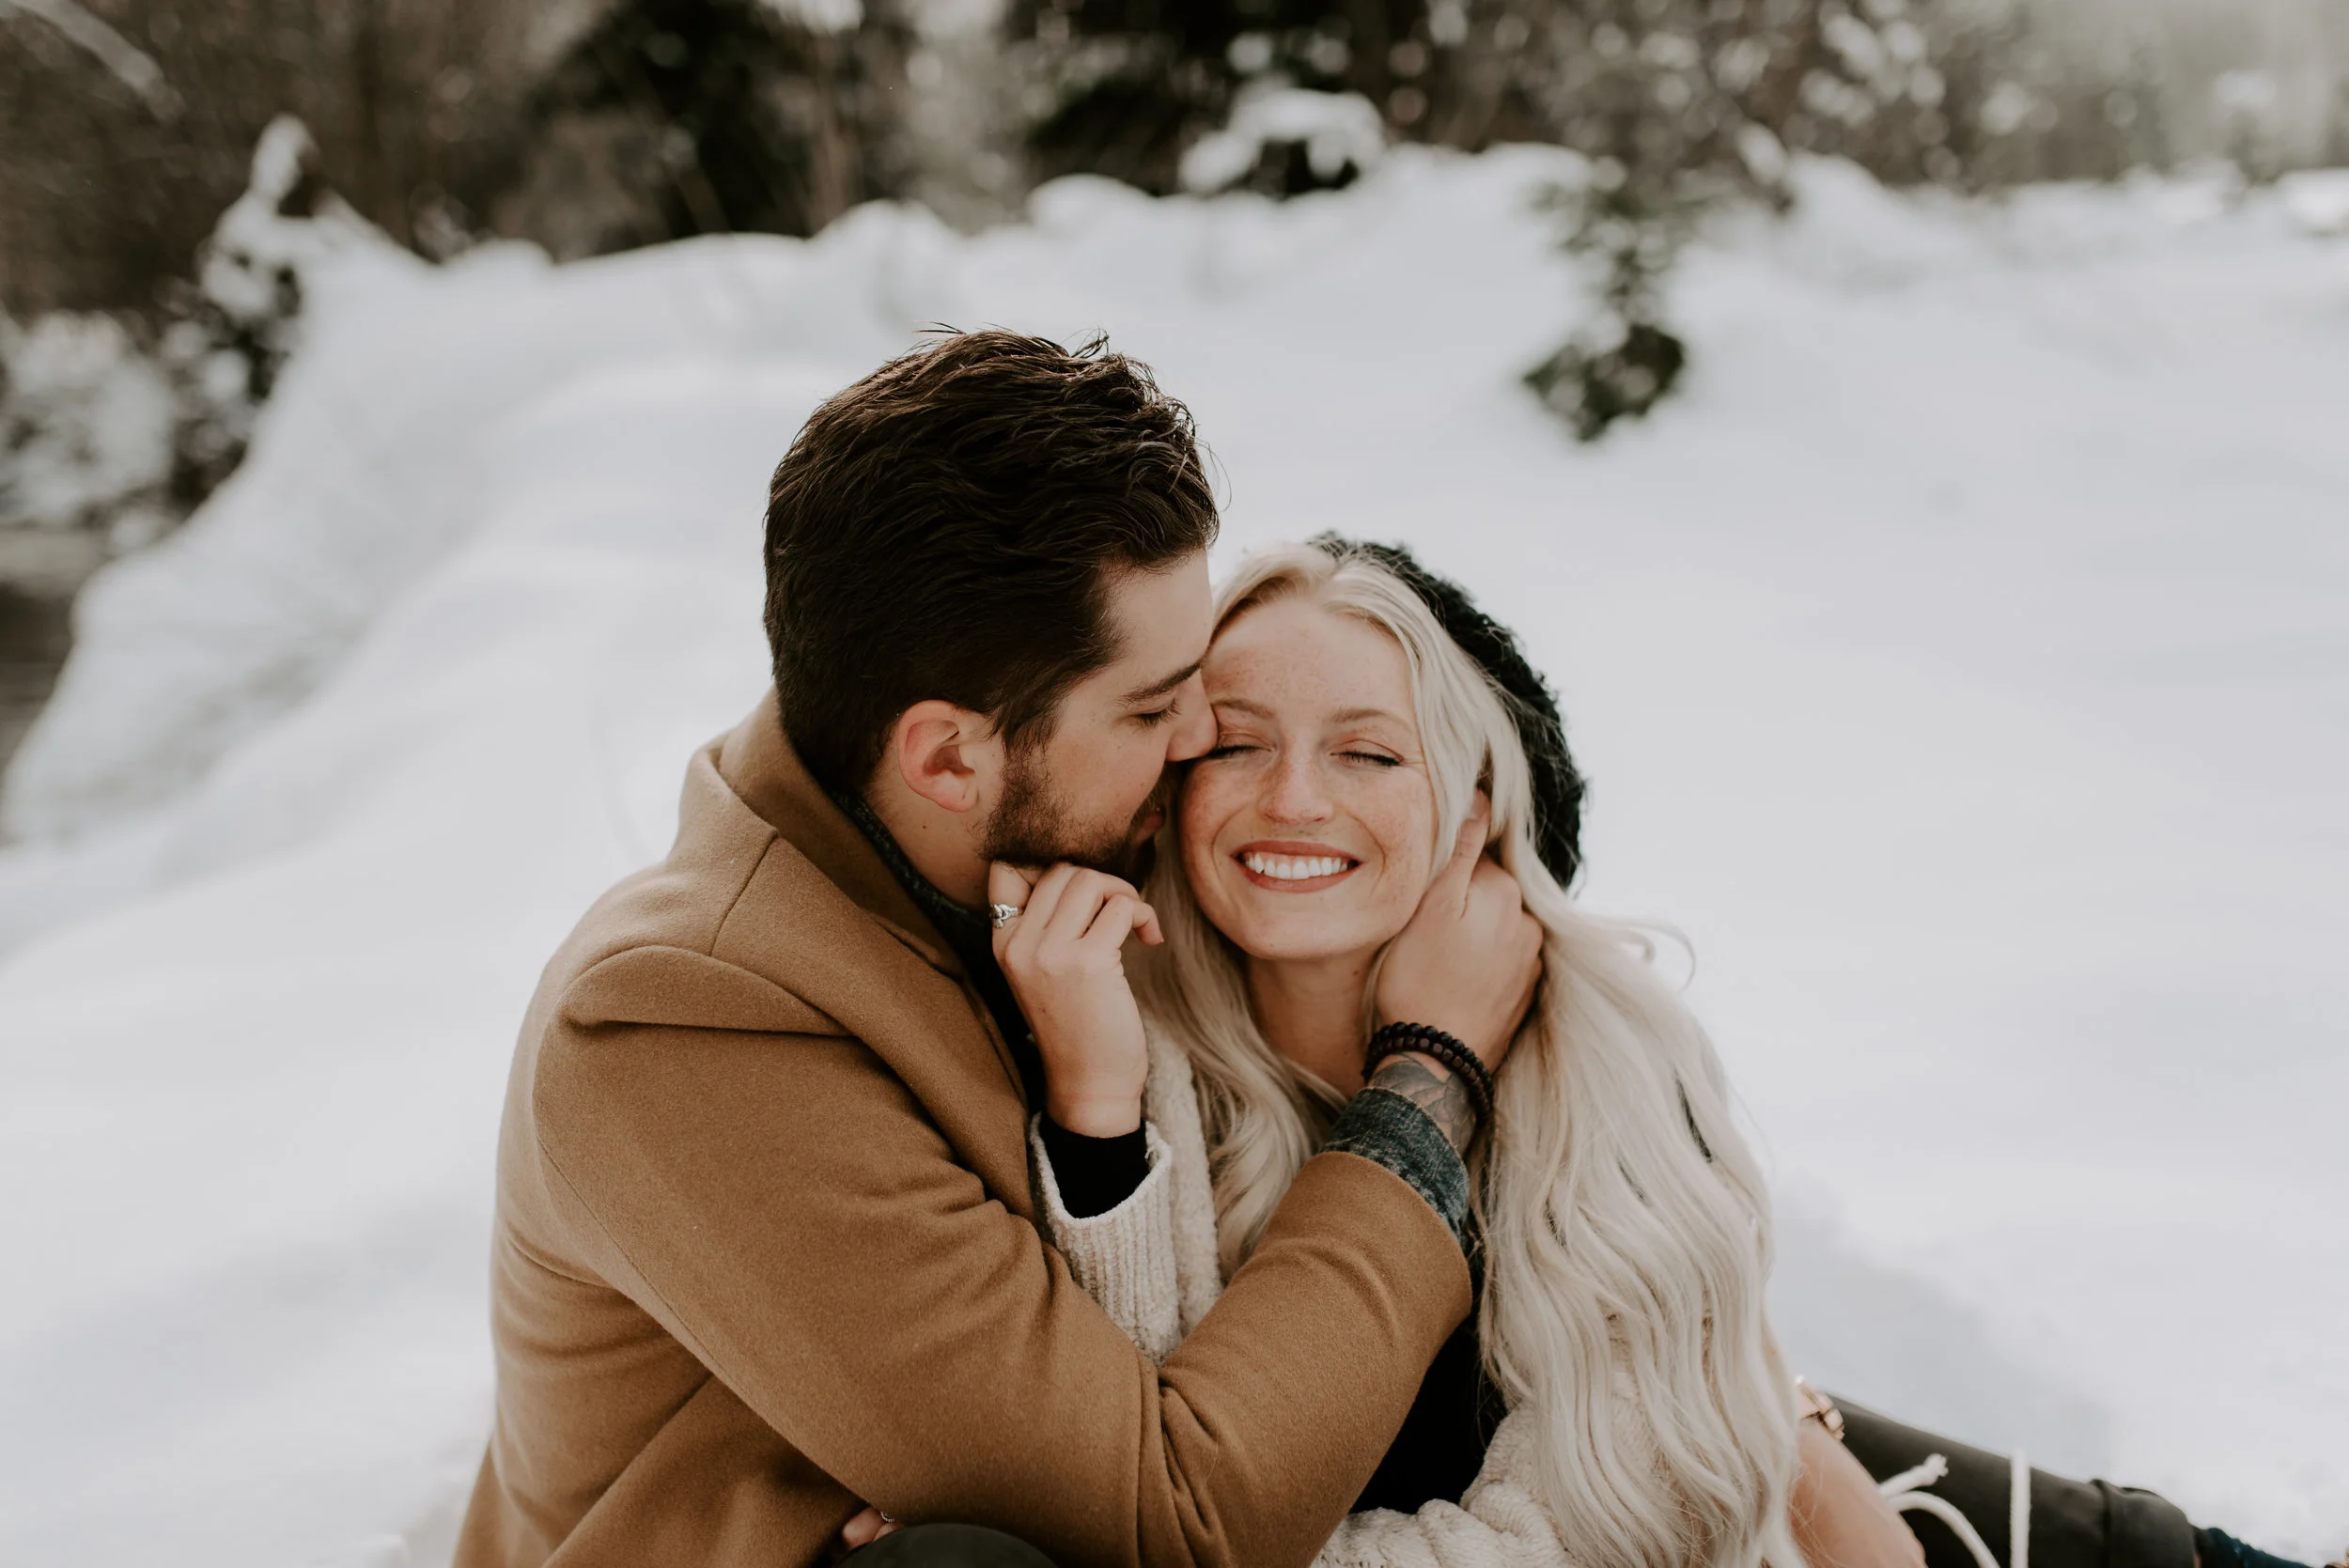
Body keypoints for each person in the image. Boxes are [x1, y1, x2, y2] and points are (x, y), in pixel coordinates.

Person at [958, 536, 2318, 1568]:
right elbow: (1151, 1507)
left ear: (1478, 808)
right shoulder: (1117, 1047)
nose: (1292, 798)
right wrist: (1097, 1121)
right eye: (1235, 745)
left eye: (1369, 754)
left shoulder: (1603, 1055)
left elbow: (1612, 1528)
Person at [453, 332, 1550, 1568]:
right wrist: (1425, 1079)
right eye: (1152, 707)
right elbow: (1180, 1528)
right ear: (948, 757)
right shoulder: (679, 1029)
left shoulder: (1004, 860)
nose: (1202, 738)